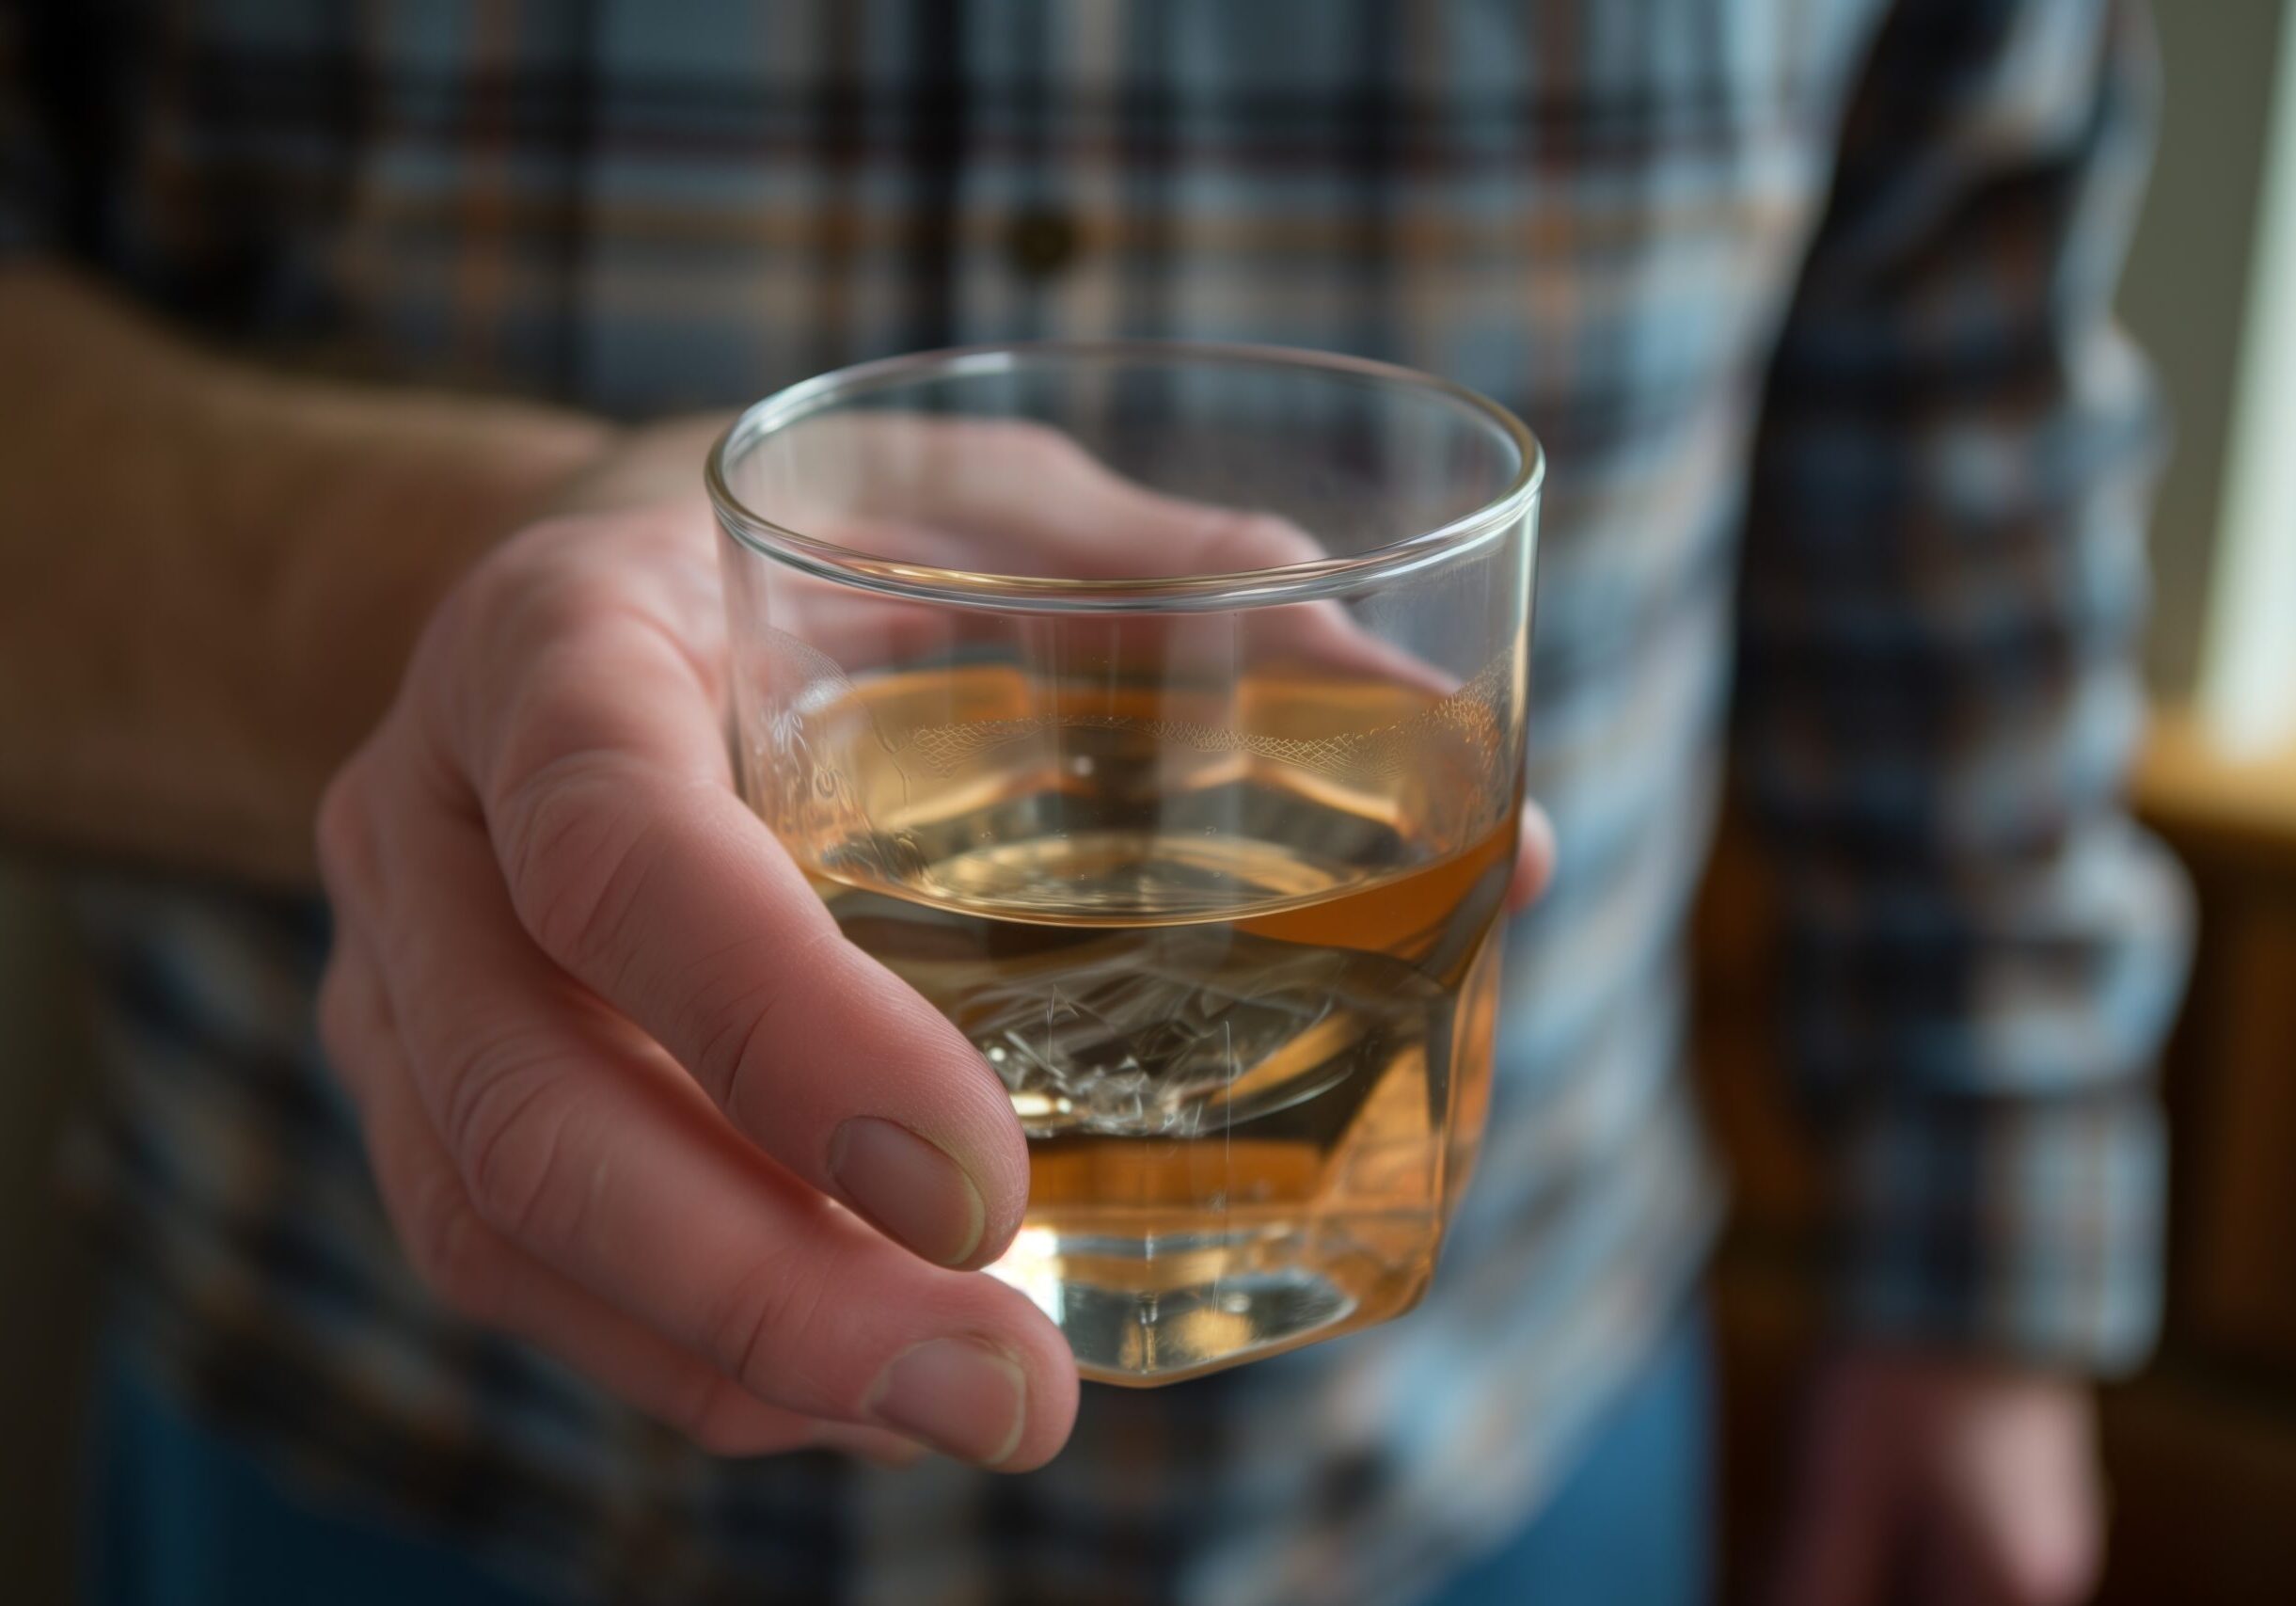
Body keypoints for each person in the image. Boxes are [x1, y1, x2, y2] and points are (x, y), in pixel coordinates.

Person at [0, 2, 2190, 1603]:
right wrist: (425, 597)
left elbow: (1952, 351)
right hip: (386, 1442)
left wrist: (1985, 1264)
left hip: (1494, 1453)